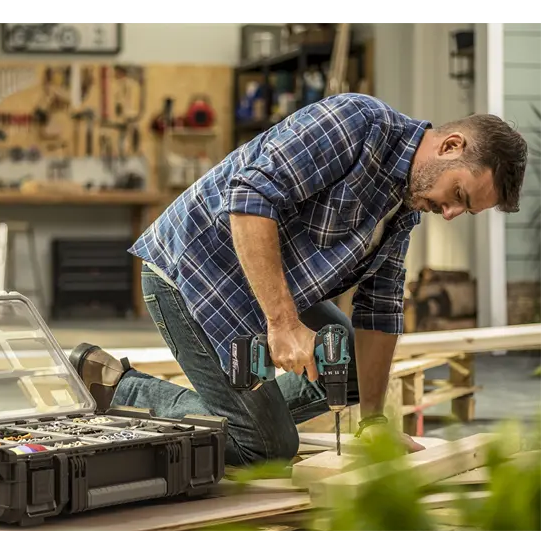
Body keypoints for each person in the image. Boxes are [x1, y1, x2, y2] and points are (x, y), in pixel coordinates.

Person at [72, 93, 528, 468]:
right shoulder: (356, 122)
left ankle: (239, 414)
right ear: (450, 147)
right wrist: (284, 324)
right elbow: (249, 195)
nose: (449, 213)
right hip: (197, 272)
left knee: (342, 363)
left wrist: (372, 421)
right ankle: (117, 386)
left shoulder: (405, 206)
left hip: (263, 284)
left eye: (462, 210)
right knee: (266, 449)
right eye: (458, 196)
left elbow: (380, 307)